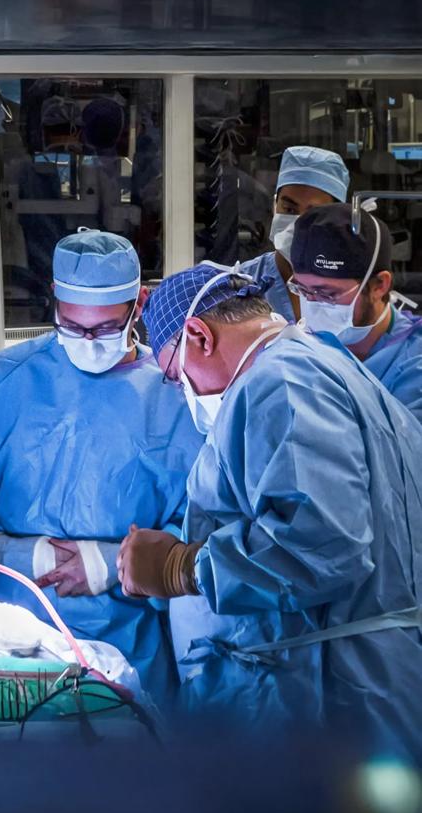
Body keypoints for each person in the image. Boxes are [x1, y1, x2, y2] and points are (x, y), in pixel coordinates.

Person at [118, 262, 422, 757]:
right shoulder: (318, 363)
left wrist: (182, 568)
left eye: (176, 376)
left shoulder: (280, 384)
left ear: (198, 335)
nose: (183, 392)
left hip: (332, 699)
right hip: (350, 685)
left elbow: (323, 544)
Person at [0, 230, 204, 702]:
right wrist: (5, 553)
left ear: (140, 304)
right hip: (4, 640)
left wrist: (117, 563)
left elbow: (202, 517)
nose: (89, 342)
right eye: (73, 327)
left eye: (107, 328)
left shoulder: (174, 398)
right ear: (54, 301)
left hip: (130, 645)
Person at [288, 203, 422, 424]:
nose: (312, 304)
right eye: (303, 290)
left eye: (328, 294)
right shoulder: (296, 347)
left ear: (380, 285)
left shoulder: (413, 363)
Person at [238, 145, 350, 322]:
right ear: (275, 205)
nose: (298, 223)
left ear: (336, 217)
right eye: (289, 209)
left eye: (313, 213)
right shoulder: (243, 282)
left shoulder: (351, 289)